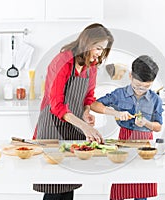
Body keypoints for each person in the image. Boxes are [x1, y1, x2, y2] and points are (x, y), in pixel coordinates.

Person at [32, 23, 114, 200]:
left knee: (68, 182)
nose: (99, 54)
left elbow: (88, 97)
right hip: (52, 126)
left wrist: (85, 112)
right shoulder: (63, 61)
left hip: (73, 127)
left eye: (103, 50)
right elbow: (56, 105)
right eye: (98, 48)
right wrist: (85, 127)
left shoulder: (91, 66)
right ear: (87, 42)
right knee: (54, 186)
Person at [91, 55, 163, 200]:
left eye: (146, 87)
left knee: (142, 189)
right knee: (120, 187)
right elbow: (94, 105)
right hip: (123, 142)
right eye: (137, 86)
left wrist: (147, 123)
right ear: (130, 76)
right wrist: (116, 113)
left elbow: (158, 127)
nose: (141, 90)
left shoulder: (155, 99)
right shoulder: (119, 94)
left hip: (145, 147)